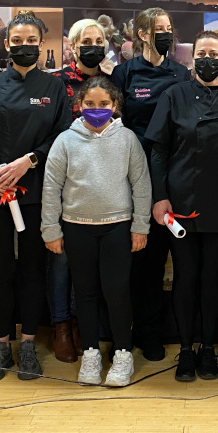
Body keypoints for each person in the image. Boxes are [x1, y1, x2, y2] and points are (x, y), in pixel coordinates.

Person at [0, 10, 71, 382]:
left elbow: (63, 136)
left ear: (41, 44)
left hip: (36, 192)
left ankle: (27, 344)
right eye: (17, 41)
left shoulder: (54, 88)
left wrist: (30, 160)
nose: (25, 46)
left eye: (31, 41)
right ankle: (1, 344)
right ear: (7, 45)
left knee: (32, 270)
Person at [145, 31, 218, 381]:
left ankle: (208, 347)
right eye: (201, 53)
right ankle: (186, 349)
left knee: (212, 276)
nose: (207, 59)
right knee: (185, 276)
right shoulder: (174, 96)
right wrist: (160, 196)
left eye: (213, 54)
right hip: (180, 202)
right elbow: (158, 151)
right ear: (192, 60)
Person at [41, 76, 151, 387]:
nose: (96, 109)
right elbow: (51, 187)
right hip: (77, 228)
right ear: (79, 105)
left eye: (103, 104)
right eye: (90, 103)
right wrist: (50, 229)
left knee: (117, 292)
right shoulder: (65, 141)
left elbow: (141, 185)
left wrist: (140, 225)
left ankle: (123, 353)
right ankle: (90, 353)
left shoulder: (128, 140)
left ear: (114, 106)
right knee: (85, 293)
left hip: (117, 227)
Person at [110, 7, 190, 361]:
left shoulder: (181, 73)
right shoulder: (124, 73)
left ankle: (152, 330)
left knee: (159, 258)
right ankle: (127, 331)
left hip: (171, 175)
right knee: (135, 261)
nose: (166, 34)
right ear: (142, 34)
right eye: (159, 29)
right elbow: (116, 123)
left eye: (169, 28)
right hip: (131, 176)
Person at [46, 16, 117, 362]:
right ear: (72, 47)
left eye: (98, 41)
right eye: (85, 42)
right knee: (61, 260)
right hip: (65, 181)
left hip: (103, 184)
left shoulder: (113, 82)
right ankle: (61, 325)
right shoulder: (56, 82)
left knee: (89, 265)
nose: (93, 47)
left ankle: (81, 324)